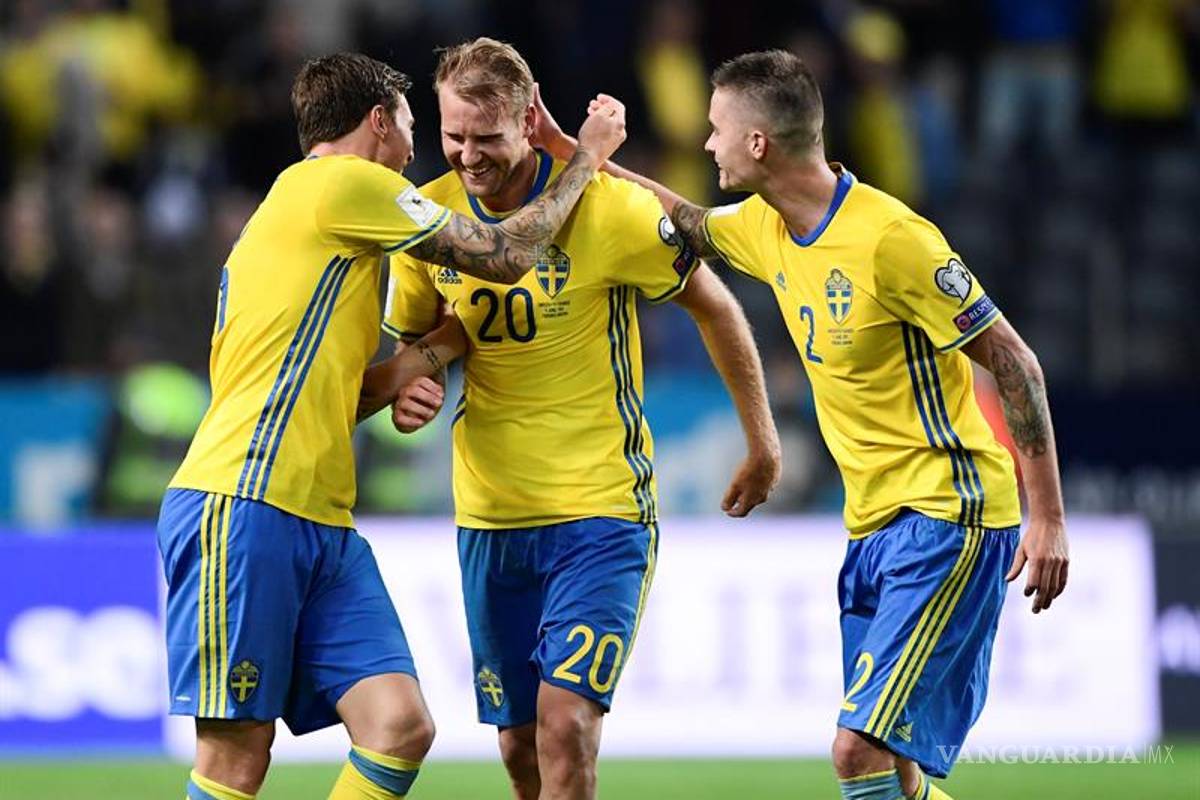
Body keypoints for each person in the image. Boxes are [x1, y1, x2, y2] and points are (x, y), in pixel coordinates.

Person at [534, 49, 1069, 800]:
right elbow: (678, 218)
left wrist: (1047, 518)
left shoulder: (892, 239)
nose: (707, 143)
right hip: (872, 526)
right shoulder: (765, 225)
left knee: (857, 751)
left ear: (759, 144)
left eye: (718, 129)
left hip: (949, 514)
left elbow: (1015, 362)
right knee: (896, 770)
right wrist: (577, 158)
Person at [156, 51, 627, 800]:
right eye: (413, 125)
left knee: (399, 727)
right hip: (241, 503)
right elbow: (507, 256)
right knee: (236, 757)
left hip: (320, 517)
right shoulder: (346, 182)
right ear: (378, 121)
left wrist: (430, 356)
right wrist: (587, 158)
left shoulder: (312, 214)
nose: (419, 148)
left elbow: (330, 396)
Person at [378, 38, 781, 800]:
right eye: (453, 135)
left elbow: (715, 304)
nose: (467, 155)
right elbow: (418, 345)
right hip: (491, 518)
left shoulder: (611, 210)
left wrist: (761, 442)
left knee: (565, 725)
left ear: (530, 121)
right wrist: (412, 396)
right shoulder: (425, 218)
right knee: (520, 745)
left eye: (487, 137)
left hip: (599, 512)